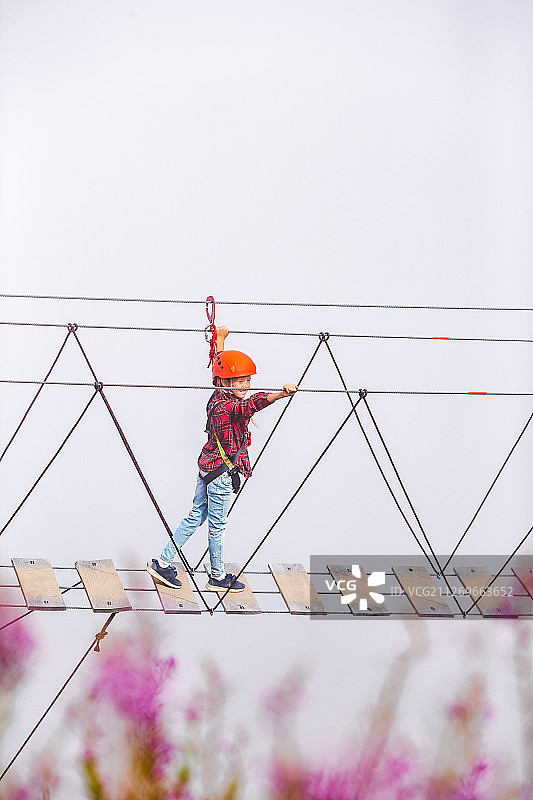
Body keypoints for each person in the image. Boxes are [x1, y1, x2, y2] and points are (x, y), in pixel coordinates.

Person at [147, 327, 298, 592]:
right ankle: (217, 576)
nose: (245, 386)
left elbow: (221, 366)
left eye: (247, 381)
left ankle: (162, 561)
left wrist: (220, 341)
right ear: (226, 383)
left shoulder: (218, 395)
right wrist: (280, 394)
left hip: (208, 467)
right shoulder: (230, 407)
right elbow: (252, 405)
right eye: (240, 382)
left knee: (196, 514)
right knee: (217, 526)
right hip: (220, 474)